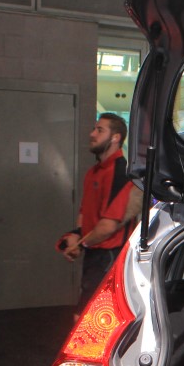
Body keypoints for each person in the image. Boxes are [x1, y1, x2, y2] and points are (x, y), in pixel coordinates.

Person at [59, 112, 134, 310]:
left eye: (100, 130)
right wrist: (76, 236)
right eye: (94, 129)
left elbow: (108, 225)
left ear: (115, 137)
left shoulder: (122, 173)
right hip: (94, 254)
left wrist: (81, 244)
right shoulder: (93, 172)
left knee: (91, 316)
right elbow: (85, 213)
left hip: (111, 257)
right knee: (86, 314)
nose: (92, 134)